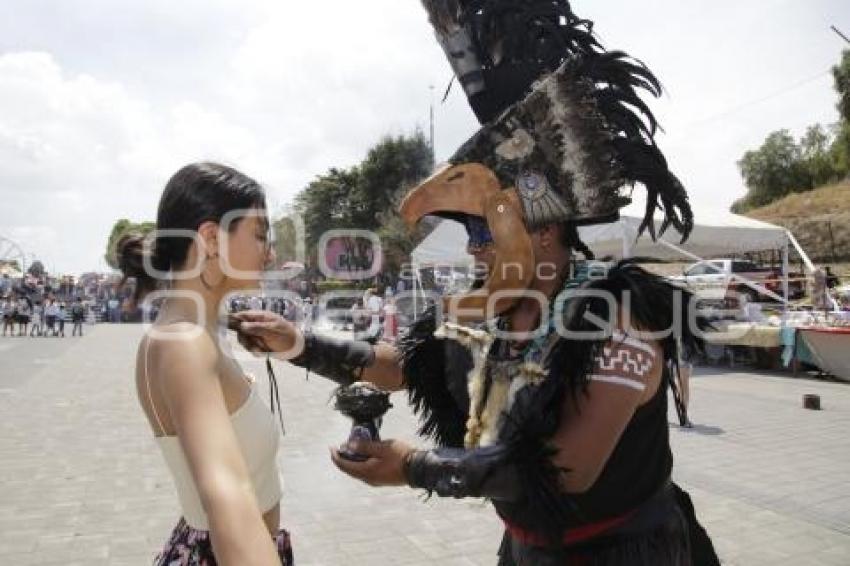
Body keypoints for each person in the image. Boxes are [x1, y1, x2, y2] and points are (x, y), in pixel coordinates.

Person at [233, 2, 719, 564]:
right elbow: (400, 366)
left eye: (482, 229)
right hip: (525, 550)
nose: (472, 248)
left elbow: (568, 470)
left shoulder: (618, 316)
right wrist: (295, 341)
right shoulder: (489, 308)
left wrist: (414, 466)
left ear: (541, 232)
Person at [116, 162, 293, 565]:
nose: (271, 252)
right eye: (261, 235)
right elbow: (227, 496)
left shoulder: (195, 332)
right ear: (212, 238)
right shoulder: (186, 344)